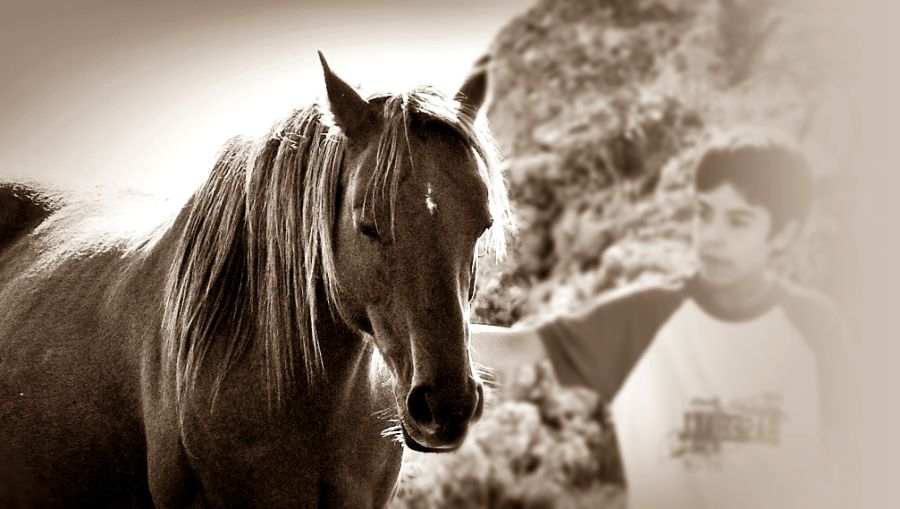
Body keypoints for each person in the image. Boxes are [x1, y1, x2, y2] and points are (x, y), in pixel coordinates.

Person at [471, 129, 860, 509]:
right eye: (704, 214)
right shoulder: (643, 317)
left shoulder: (814, 325)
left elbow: (853, 453)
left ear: (783, 234)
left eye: (738, 221)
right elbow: (520, 346)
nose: (712, 236)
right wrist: (416, 334)